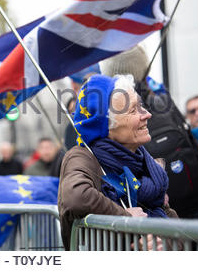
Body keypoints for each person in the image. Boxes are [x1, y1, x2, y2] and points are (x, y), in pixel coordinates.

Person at [58, 74, 178, 250]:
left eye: (141, 106)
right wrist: (124, 219)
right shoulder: (82, 157)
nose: (147, 115)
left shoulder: (146, 162)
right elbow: (76, 196)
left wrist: (167, 244)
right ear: (106, 125)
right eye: (133, 110)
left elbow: (175, 224)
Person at [100, 45, 198, 219]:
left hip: (153, 219)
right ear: (144, 69)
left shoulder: (110, 114)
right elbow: (193, 148)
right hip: (195, 208)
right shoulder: (164, 102)